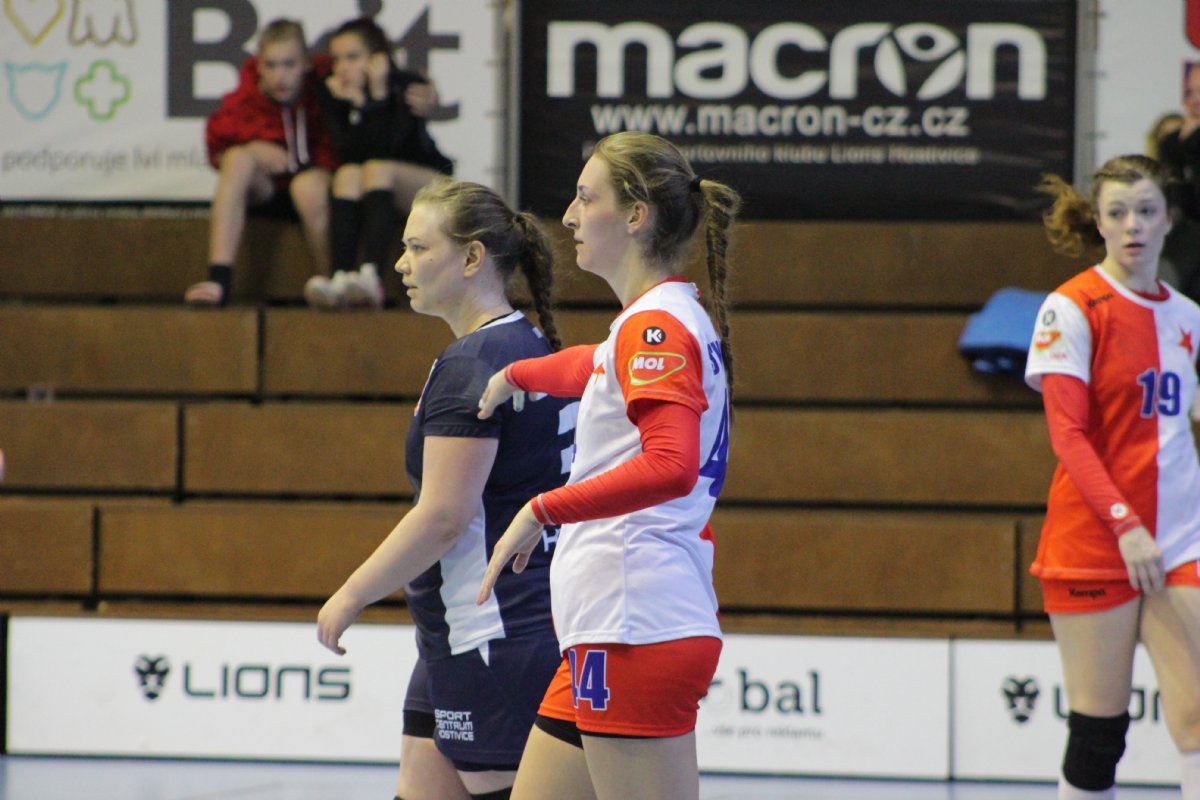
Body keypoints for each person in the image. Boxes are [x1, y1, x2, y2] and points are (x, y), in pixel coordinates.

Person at [474, 131, 740, 800]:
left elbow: (671, 464)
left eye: (585, 198)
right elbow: (593, 366)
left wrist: (542, 508)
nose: (568, 217)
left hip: (634, 625)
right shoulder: (652, 322)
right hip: (610, 625)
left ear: (635, 216)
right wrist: (515, 374)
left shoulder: (658, 327)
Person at [317, 176, 574, 800]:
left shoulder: (474, 363)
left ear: (471, 257)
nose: (400, 264)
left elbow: (443, 517)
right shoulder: (523, 342)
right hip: (465, 633)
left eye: (418, 248)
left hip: (492, 632)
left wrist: (351, 595)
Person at [1027, 154, 1200, 800]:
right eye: (1119, 213)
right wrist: (1126, 525)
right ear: (1098, 222)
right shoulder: (1071, 308)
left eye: (1146, 211)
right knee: (1100, 733)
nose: (1134, 225)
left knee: (1196, 717)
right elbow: (1067, 436)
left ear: (1168, 219)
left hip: (1179, 537)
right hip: (1098, 539)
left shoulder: (1188, 317)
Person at [185, 18, 337, 307]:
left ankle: (331, 283)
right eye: (271, 65)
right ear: (259, 66)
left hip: (314, 190)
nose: (280, 76)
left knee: (306, 187)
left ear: (306, 64)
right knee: (237, 158)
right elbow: (217, 148)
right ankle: (219, 279)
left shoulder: (325, 87)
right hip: (267, 191)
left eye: (289, 65)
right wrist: (253, 149)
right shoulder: (245, 100)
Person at [306, 17, 454, 310]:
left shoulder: (406, 85)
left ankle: (372, 276)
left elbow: (392, 147)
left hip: (423, 177)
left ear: (378, 59)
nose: (342, 68)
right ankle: (340, 276)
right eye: (337, 60)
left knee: (376, 168)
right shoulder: (334, 90)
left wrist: (377, 96)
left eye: (352, 57)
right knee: (347, 174)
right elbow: (346, 152)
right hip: (372, 178)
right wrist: (358, 104)